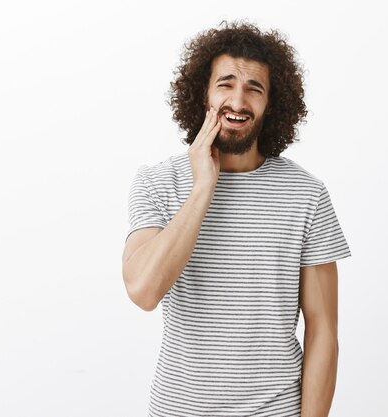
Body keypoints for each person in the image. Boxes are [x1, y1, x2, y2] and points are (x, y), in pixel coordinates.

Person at [122, 20, 351, 417]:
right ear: (203, 95)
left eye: (254, 89)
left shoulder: (307, 195)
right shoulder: (158, 182)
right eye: (225, 84)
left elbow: (323, 332)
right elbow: (143, 290)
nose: (239, 102)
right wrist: (202, 190)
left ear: (271, 104)